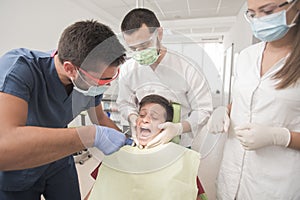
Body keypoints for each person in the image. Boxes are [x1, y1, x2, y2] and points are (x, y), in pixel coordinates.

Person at [0, 20, 127, 200]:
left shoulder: (87, 84)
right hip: (19, 168)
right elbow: (5, 144)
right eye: (102, 81)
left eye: (111, 78)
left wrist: (130, 149)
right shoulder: (20, 68)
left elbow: (100, 118)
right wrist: (91, 135)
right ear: (70, 69)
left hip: (59, 159)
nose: (106, 85)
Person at [207, 0, 300, 199]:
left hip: (276, 185)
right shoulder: (247, 56)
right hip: (231, 178)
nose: (259, 19)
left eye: (267, 11)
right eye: (252, 14)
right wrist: (225, 110)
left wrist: (281, 136)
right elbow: (247, 103)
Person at [117, 8, 213, 148]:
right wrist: (134, 118)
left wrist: (178, 128)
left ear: (159, 34)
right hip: (144, 144)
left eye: (144, 45)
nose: (139, 53)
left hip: (179, 146)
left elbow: (203, 110)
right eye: (133, 49)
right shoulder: (128, 69)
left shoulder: (187, 68)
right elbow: (124, 103)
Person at [86, 94, 207, 200]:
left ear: (166, 127)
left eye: (154, 117)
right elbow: (96, 192)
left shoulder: (181, 160)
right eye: (142, 115)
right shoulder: (118, 155)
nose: (145, 120)